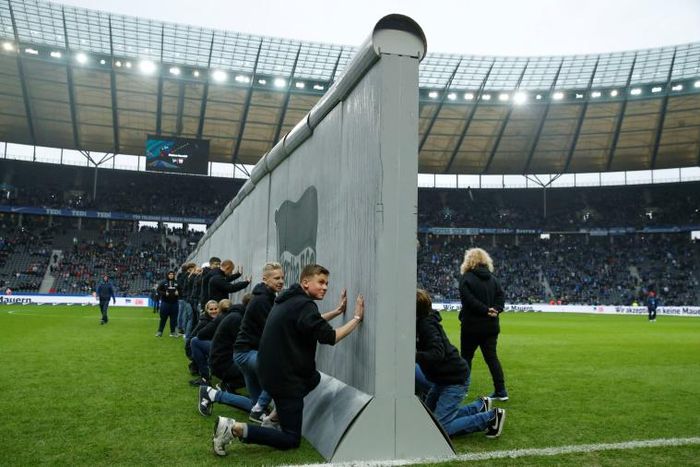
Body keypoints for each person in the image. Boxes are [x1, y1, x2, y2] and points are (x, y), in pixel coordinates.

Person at [213, 263, 365, 455]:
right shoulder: (304, 305)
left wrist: (336, 312)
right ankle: (233, 428)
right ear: (306, 283)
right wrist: (357, 318)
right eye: (321, 282)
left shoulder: (292, 300)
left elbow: (311, 324)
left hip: (274, 372)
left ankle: (274, 417)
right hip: (284, 379)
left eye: (327, 283)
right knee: (291, 439)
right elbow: (330, 337)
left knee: (313, 378)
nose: (325, 287)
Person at [416, 289, 505, 438]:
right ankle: (479, 407)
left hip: (454, 380)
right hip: (443, 380)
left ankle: (490, 418)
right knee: (429, 419)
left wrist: (413, 355)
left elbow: (437, 354)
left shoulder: (426, 326)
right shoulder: (423, 322)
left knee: (440, 427)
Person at [232, 262, 285, 423]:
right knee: (278, 372)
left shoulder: (266, 297)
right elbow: (271, 331)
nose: (281, 281)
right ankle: (258, 410)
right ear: (265, 279)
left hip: (243, 352)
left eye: (282, 277)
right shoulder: (262, 300)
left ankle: (259, 419)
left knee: (256, 402)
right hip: (247, 353)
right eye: (276, 278)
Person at [458, 247, 508, 401]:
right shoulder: (494, 279)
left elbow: (469, 301)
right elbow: (501, 298)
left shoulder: (466, 278)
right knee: (492, 358)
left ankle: (462, 389)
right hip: (491, 326)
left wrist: (486, 310)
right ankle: (501, 391)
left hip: (471, 326)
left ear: (469, 261)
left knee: (466, 358)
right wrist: (495, 310)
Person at [156, 270, 181, 337]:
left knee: (174, 319)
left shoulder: (177, 283)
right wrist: (164, 293)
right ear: (167, 275)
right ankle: (160, 332)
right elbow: (158, 290)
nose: (171, 275)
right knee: (163, 318)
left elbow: (181, 291)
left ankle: (172, 332)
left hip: (174, 303)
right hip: (165, 303)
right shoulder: (163, 282)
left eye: (172, 274)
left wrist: (178, 293)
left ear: (174, 275)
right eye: (170, 274)